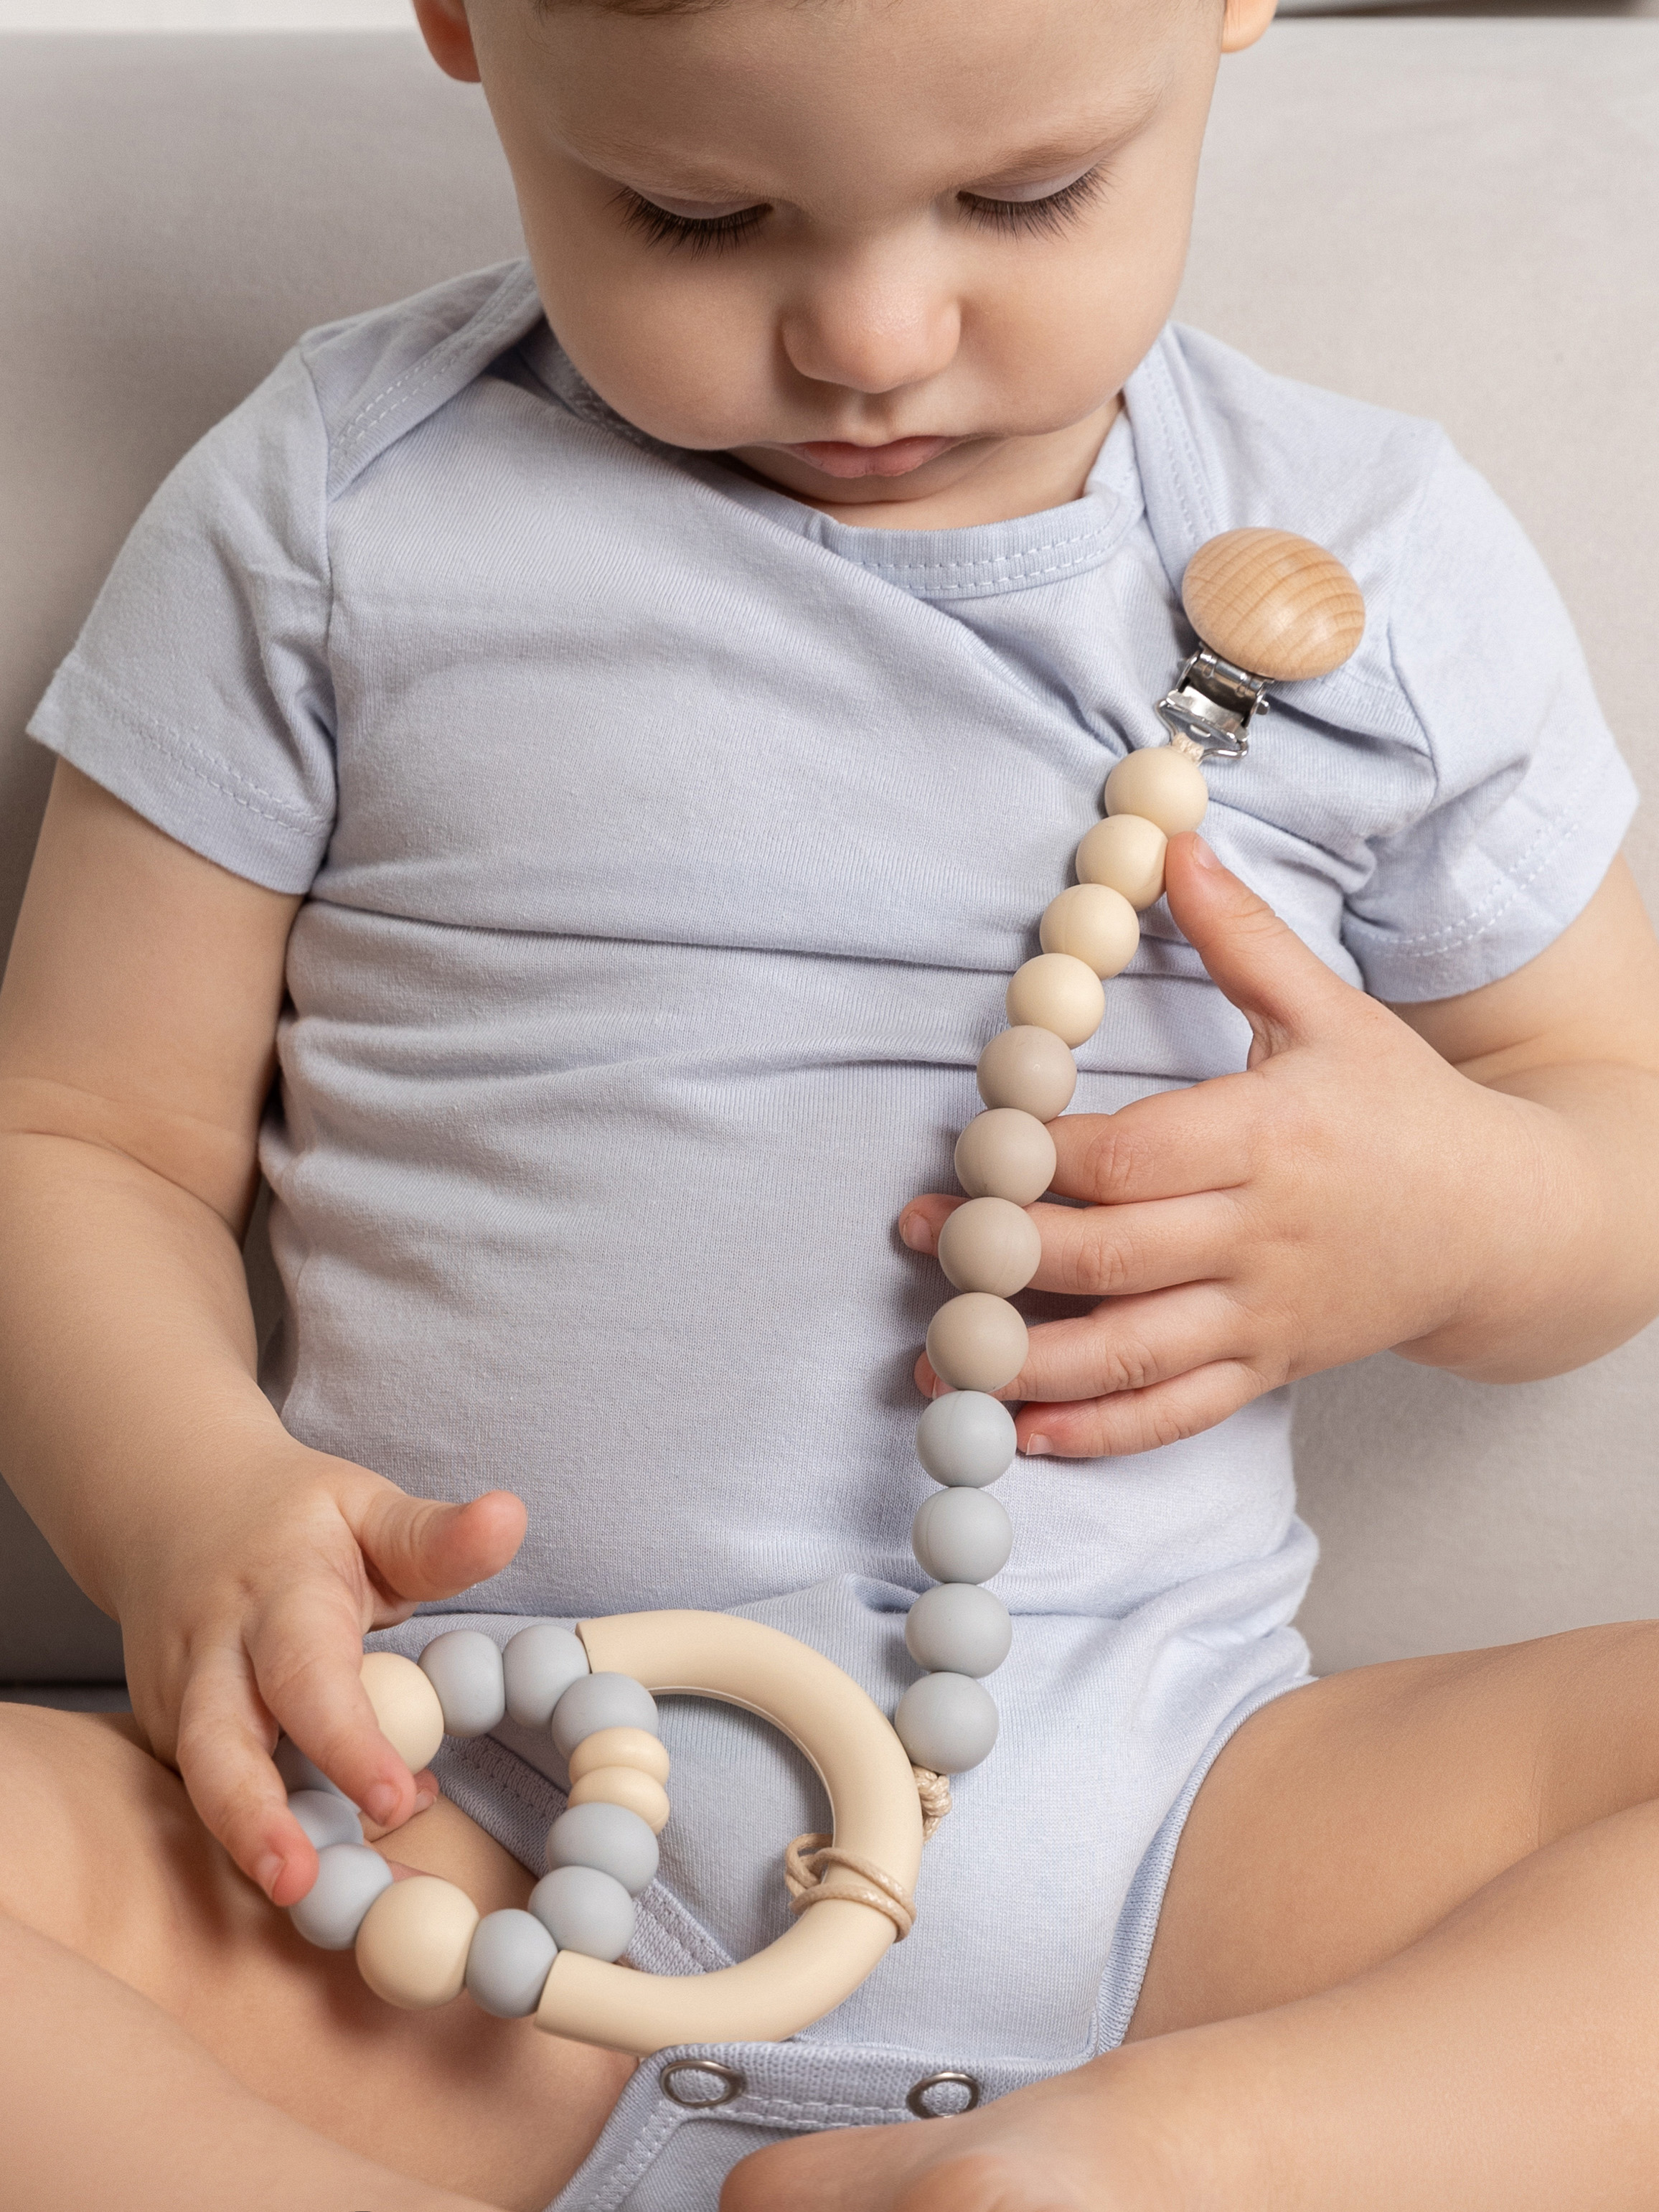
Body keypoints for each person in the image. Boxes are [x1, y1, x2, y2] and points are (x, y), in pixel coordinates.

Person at [1, 0, 1657, 2204]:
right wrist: (184, 1498)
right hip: (432, 1857)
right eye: (694, 215)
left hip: (1183, 1854)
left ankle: (1182, 2164)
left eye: (1024, 195)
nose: (873, 335)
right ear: (466, 26)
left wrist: (1471, 1218)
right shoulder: (334, 507)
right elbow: (79, 1134)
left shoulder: (1367, 553)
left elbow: (1613, 1107)